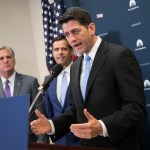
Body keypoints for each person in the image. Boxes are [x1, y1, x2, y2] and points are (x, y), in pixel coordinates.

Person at [30, 7, 146, 150]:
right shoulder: (75, 66)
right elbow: (75, 112)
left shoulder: (119, 56)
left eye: (76, 31)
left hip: (119, 145)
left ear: (91, 28)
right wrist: (52, 125)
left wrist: (102, 126)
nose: (71, 39)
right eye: (67, 34)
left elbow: (135, 108)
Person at [0, 45, 49, 143]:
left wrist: (42, 141)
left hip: (30, 140)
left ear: (14, 60)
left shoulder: (30, 82)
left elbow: (41, 114)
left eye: (9, 57)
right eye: (1, 58)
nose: (5, 60)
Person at [44, 35, 79, 145]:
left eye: (64, 49)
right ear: (53, 53)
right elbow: (49, 112)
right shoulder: (48, 79)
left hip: (81, 138)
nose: (60, 52)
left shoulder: (80, 72)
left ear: (71, 50)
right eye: (56, 49)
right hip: (60, 141)